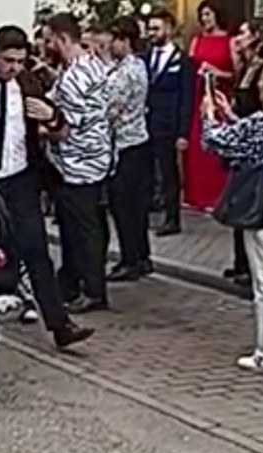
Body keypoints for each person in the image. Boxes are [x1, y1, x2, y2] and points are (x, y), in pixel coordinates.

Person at [0, 25, 95, 349]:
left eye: (19, 61)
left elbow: (58, 126)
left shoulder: (28, 81)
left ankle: (60, 325)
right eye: (8, 60)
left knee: (36, 250)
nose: (13, 67)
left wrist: (52, 116)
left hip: (19, 177)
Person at [203, 60, 263, 376]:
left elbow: (215, 141)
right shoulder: (262, 125)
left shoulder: (262, 124)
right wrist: (231, 116)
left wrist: (209, 115)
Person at [43, 13, 113, 314]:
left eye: (49, 40)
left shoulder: (74, 77)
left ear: (61, 39)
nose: (47, 45)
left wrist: (40, 129)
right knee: (83, 226)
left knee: (82, 229)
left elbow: (64, 128)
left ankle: (93, 289)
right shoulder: (94, 64)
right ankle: (70, 282)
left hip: (77, 161)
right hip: (97, 154)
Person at [225, 21, 263, 286]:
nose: (238, 38)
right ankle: (240, 262)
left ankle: (248, 265)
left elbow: (261, 113)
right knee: (239, 203)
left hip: (256, 144)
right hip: (243, 139)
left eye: (244, 33)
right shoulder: (247, 67)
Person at [106, 17, 153, 282]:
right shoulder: (131, 66)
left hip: (126, 143)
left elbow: (111, 107)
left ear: (124, 40)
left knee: (125, 206)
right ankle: (141, 255)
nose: (110, 45)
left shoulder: (128, 71)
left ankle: (130, 258)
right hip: (135, 142)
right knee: (135, 206)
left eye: (114, 40)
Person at [183, 0, 236, 212]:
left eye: (208, 14)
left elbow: (236, 74)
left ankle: (218, 196)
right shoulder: (196, 40)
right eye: (202, 15)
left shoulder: (229, 41)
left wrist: (216, 72)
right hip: (198, 97)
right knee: (197, 145)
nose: (205, 19)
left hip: (219, 98)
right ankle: (196, 195)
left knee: (217, 144)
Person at [145, 9, 192, 236]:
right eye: (149, 28)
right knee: (146, 171)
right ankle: (150, 209)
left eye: (156, 28)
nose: (151, 33)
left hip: (168, 124)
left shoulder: (182, 60)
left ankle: (172, 218)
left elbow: (187, 98)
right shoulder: (145, 57)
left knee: (168, 172)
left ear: (169, 29)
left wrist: (183, 132)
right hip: (146, 122)